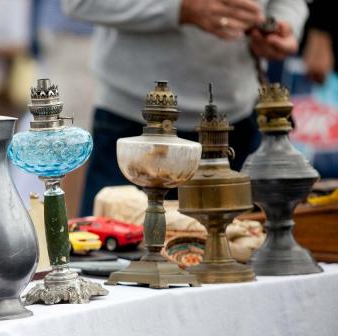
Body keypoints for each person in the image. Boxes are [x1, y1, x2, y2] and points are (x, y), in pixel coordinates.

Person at [61, 0, 308, 216]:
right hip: (131, 124)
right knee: (107, 262)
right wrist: (179, 8)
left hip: (238, 120)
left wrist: (282, 24)